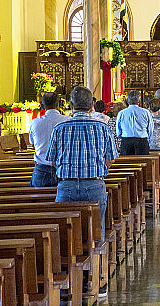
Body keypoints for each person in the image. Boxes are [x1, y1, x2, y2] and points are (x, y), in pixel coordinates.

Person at [47, 85, 117, 252]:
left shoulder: (60, 128)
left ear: (71, 105)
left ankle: (67, 265)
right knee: (96, 234)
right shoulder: (102, 127)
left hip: (66, 185)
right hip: (94, 184)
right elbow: (111, 158)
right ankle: (97, 266)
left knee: (65, 236)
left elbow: (52, 160)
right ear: (92, 105)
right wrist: (98, 168)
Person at [29, 91, 69, 187]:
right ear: (59, 104)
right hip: (63, 169)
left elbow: (32, 143)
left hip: (41, 169)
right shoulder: (68, 121)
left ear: (42, 106)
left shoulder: (35, 123)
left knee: (38, 196)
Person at [116, 89, 153, 155]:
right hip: (141, 141)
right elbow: (150, 129)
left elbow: (118, 131)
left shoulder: (121, 113)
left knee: (126, 161)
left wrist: (123, 137)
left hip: (126, 141)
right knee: (143, 160)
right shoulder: (146, 112)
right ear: (139, 100)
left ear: (127, 100)